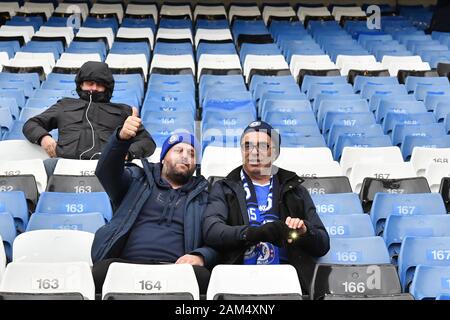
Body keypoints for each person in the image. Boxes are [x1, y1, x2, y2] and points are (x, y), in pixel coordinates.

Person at [91, 111, 217, 294]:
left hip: (176, 270)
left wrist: (201, 256)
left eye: (192, 154)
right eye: (179, 150)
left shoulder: (204, 197)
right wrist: (121, 139)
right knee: (101, 271)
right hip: (127, 266)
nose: (185, 157)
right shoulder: (137, 180)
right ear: (163, 157)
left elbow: (216, 239)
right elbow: (106, 172)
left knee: (203, 277)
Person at [202, 121, 330, 292]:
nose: (254, 152)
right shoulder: (224, 187)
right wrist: (253, 233)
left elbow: (323, 244)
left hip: (287, 278)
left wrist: (304, 231)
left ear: (274, 152)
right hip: (237, 277)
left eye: (262, 146)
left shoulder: (295, 190)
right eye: (247, 146)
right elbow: (212, 231)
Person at [22, 61, 156, 174]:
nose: (94, 88)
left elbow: (148, 143)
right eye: (90, 83)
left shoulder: (123, 112)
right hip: (63, 167)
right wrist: (44, 138)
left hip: (105, 170)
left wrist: (126, 153)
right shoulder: (64, 105)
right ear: (81, 84)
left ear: (107, 87)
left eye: (100, 84)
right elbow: (31, 124)